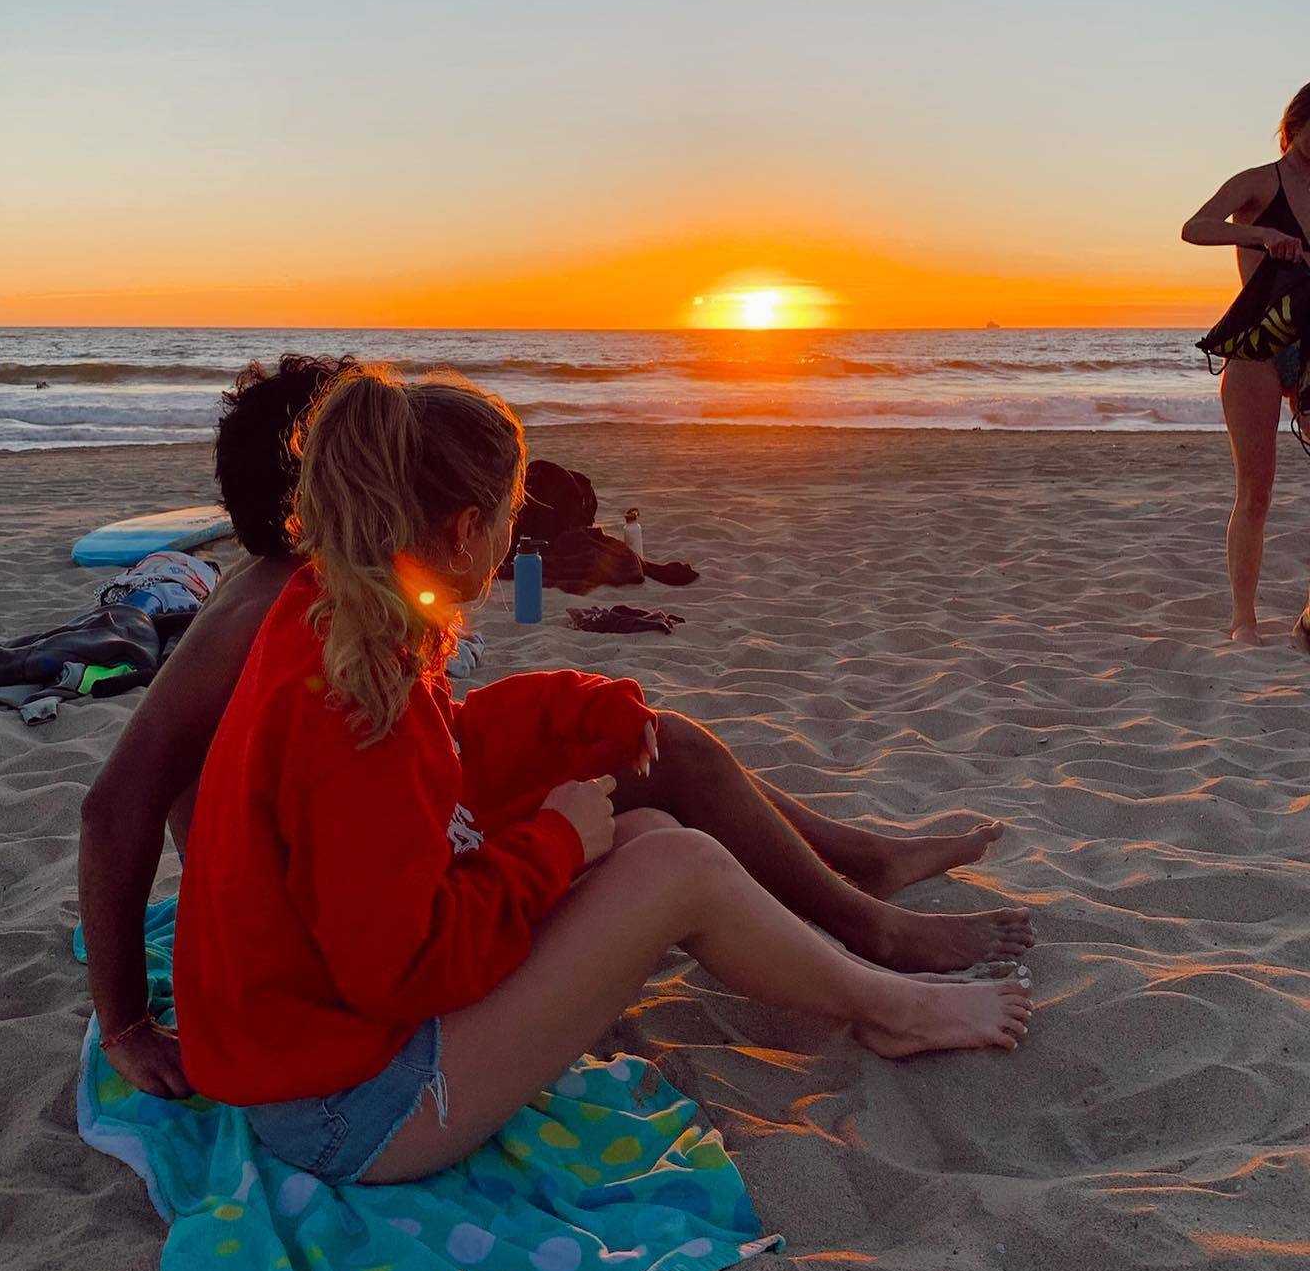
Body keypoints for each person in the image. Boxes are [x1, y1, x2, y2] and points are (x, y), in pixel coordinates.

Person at [79, 359, 1033, 1103]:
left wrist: (579, 695)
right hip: (336, 971)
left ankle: (860, 877)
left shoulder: (345, 601)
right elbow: (120, 807)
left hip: (365, 877)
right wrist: (125, 1026)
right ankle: (875, 936)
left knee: (651, 763)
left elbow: (449, 721)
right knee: (666, 821)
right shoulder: (292, 624)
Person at [1183, 82, 1310, 644]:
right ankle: (1243, 621)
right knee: (1255, 492)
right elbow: (1195, 227)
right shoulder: (1259, 181)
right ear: (1294, 126)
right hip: (1257, 347)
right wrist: (1262, 234)